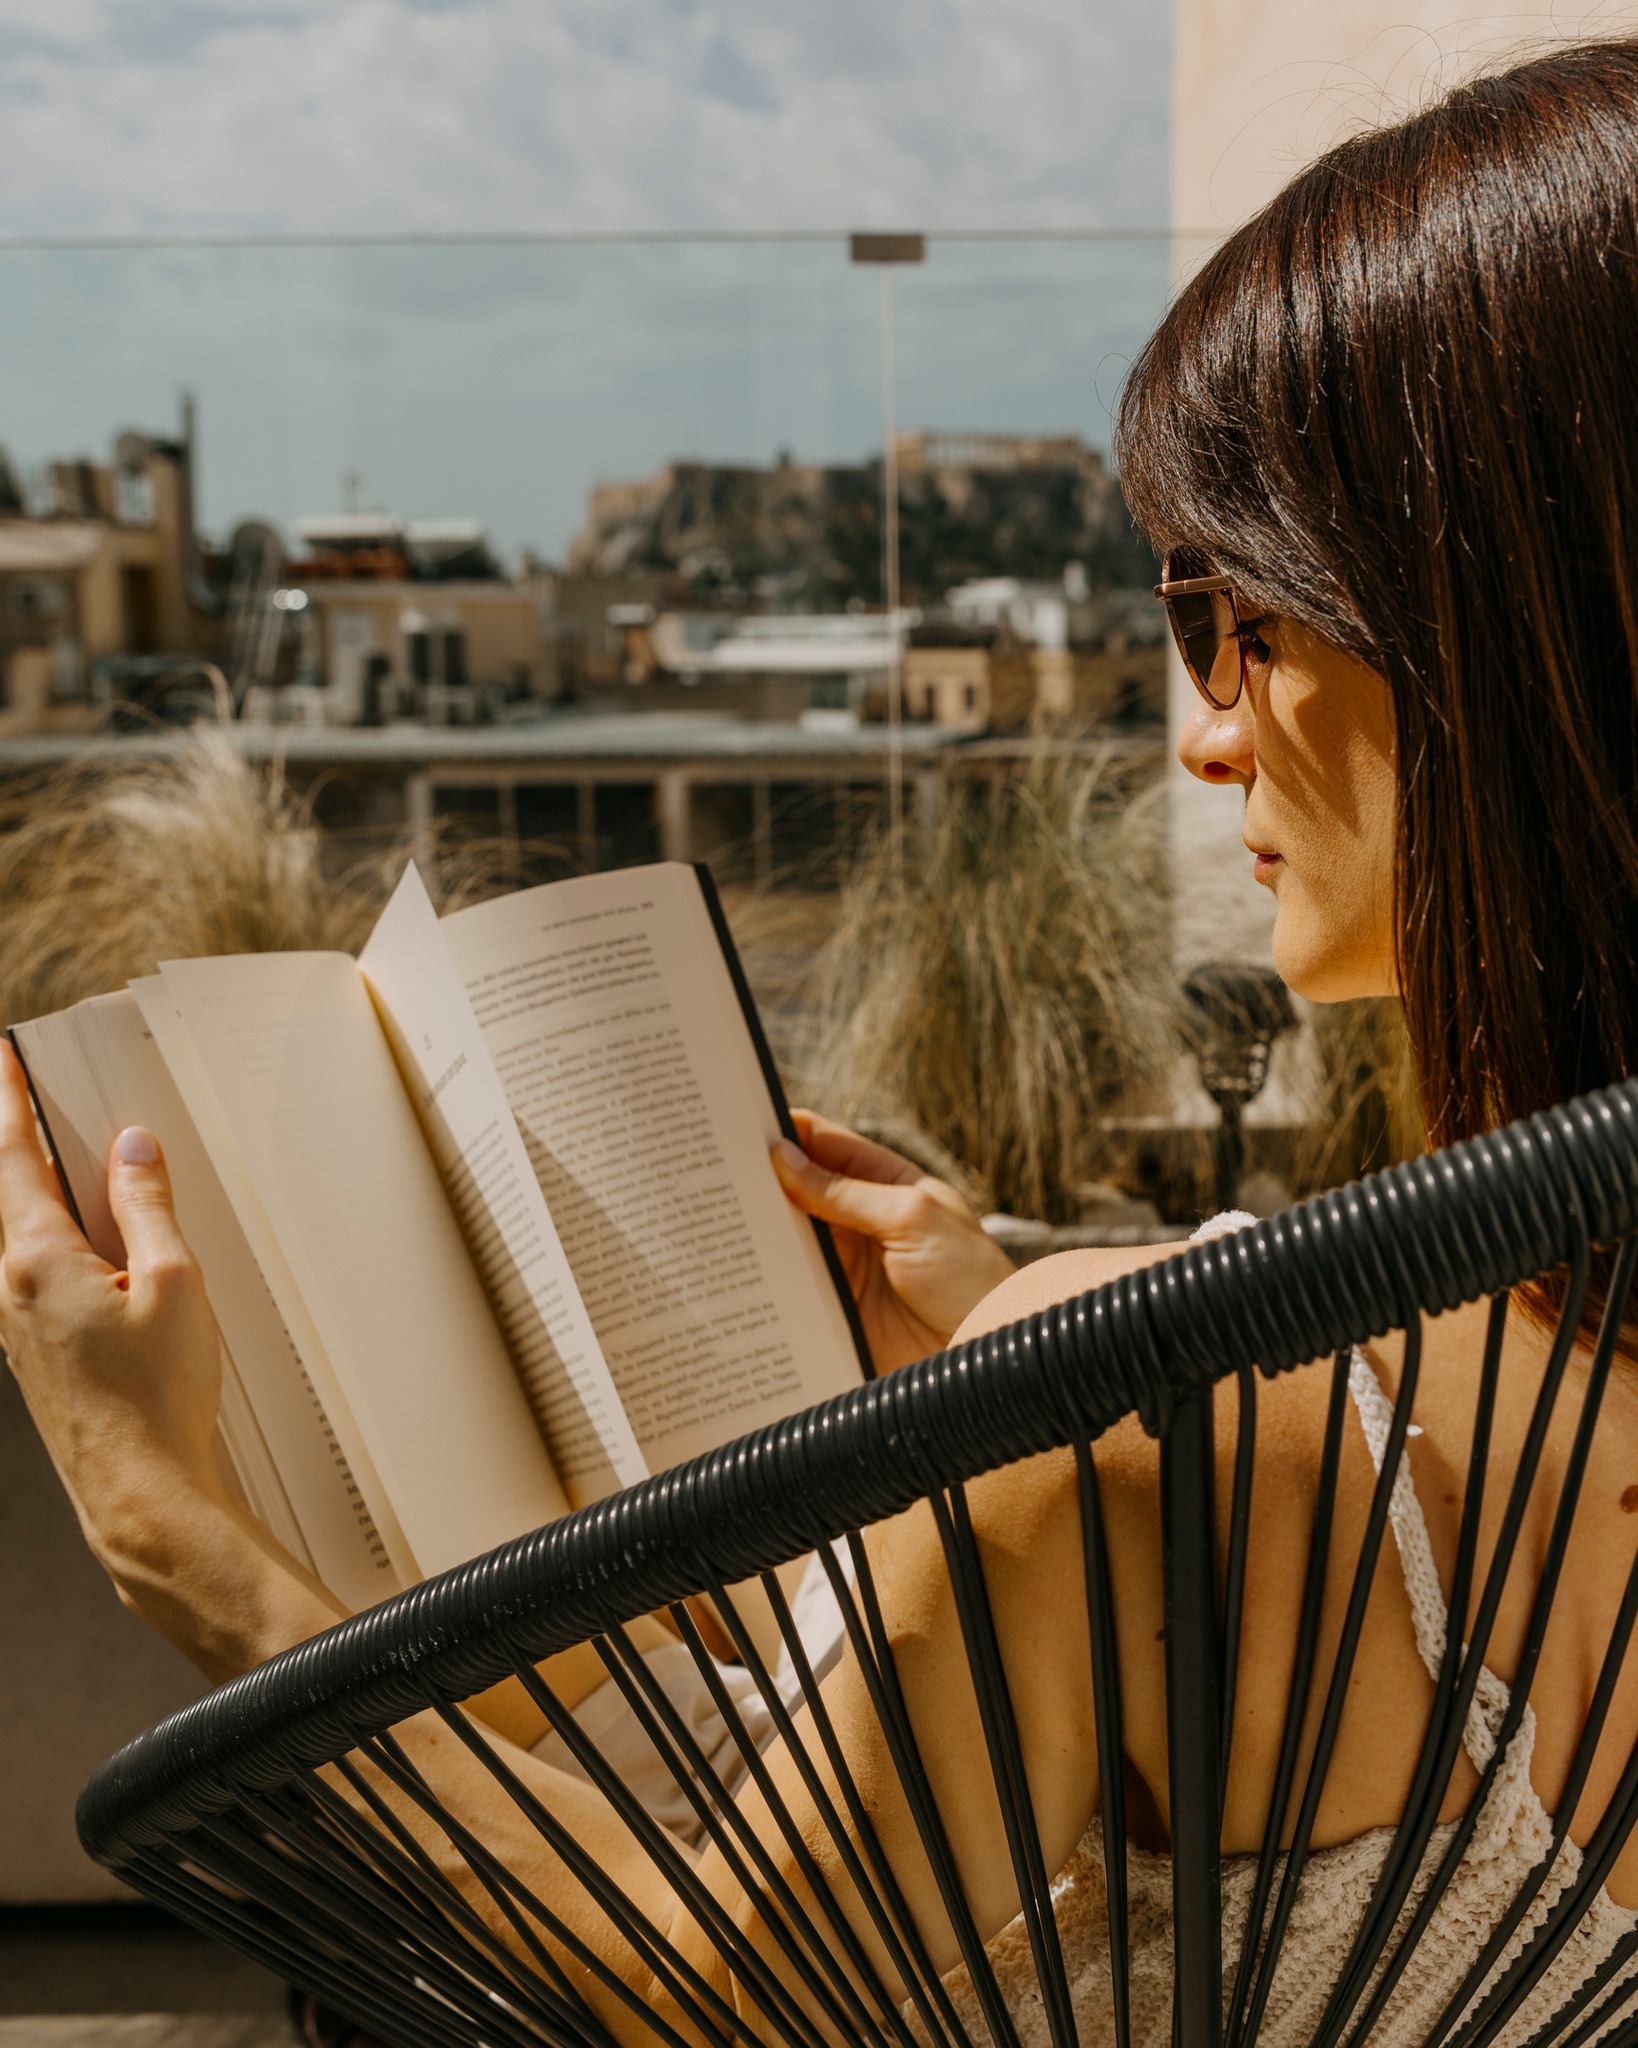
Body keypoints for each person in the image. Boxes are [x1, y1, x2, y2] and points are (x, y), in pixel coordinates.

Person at [7, 36, 1638, 2046]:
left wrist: (182, 1531)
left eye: (1240, 617)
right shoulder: (1415, 1381)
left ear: (1506, 636)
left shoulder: (1131, 1454)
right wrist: (1012, 1329)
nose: (1204, 724)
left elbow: (671, 1997)